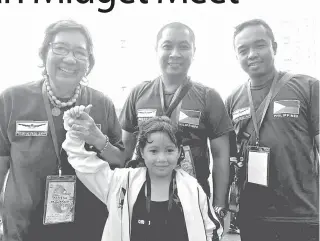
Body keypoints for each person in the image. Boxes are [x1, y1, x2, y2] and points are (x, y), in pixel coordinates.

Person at [0, 20, 124, 241]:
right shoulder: (12, 100)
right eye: (60, 48)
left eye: (80, 52)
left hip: (89, 228)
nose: (70, 59)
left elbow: (121, 163)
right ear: (44, 53)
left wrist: (97, 138)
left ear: (89, 62)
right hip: (24, 229)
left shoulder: (102, 103)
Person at [119, 22, 234, 220]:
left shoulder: (208, 97)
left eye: (183, 46)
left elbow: (221, 156)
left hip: (193, 202)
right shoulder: (139, 94)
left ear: (193, 51)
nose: (175, 53)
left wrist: (219, 206)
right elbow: (124, 152)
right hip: (144, 200)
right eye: (167, 46)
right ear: (156, 50)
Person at [225, 19, 319, 241]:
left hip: (302, 215)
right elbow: (229, 159)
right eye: (243, 50)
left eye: (259, 45)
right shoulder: (232, 100)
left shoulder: (308, 87)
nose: (252, 54)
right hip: (253, 217)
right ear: (236, 56)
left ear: (274, 47)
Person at [62, 113, 224, 241]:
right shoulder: (120, 183)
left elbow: (211, 230)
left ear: (179, 152)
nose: (162, 159)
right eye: (153, 151)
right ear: (141, 152)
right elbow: (84, 165)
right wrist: (75, 134)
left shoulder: (191, 188)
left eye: (169, 150)